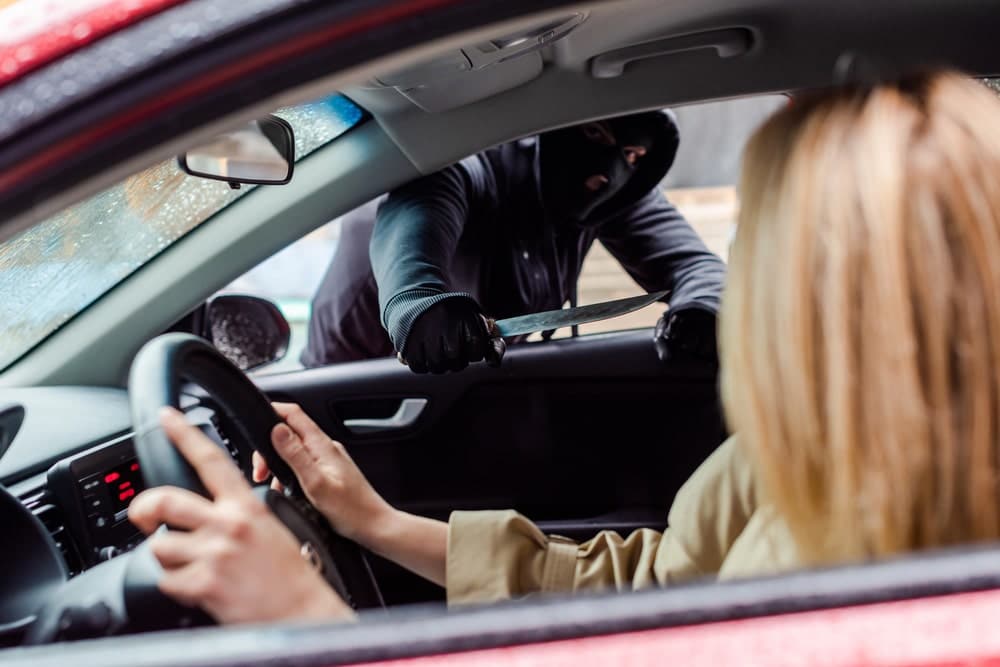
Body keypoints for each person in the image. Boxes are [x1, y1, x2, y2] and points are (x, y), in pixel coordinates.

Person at [129, 69, 1000, 622]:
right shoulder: (792, 456)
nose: (613, 165)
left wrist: (306, 619)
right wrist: (380, 523)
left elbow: (689, 265)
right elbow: (651, 580)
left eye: (766, 244)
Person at [300, 110, 727, 373]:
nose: (607, 171)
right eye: (595, 135)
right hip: (351, 378)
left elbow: (696, 267)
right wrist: (416, 298)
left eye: (633, 156)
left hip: (474, 384)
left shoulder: (614, 194)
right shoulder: (476, 166)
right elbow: (419, 207)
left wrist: (704, 308)